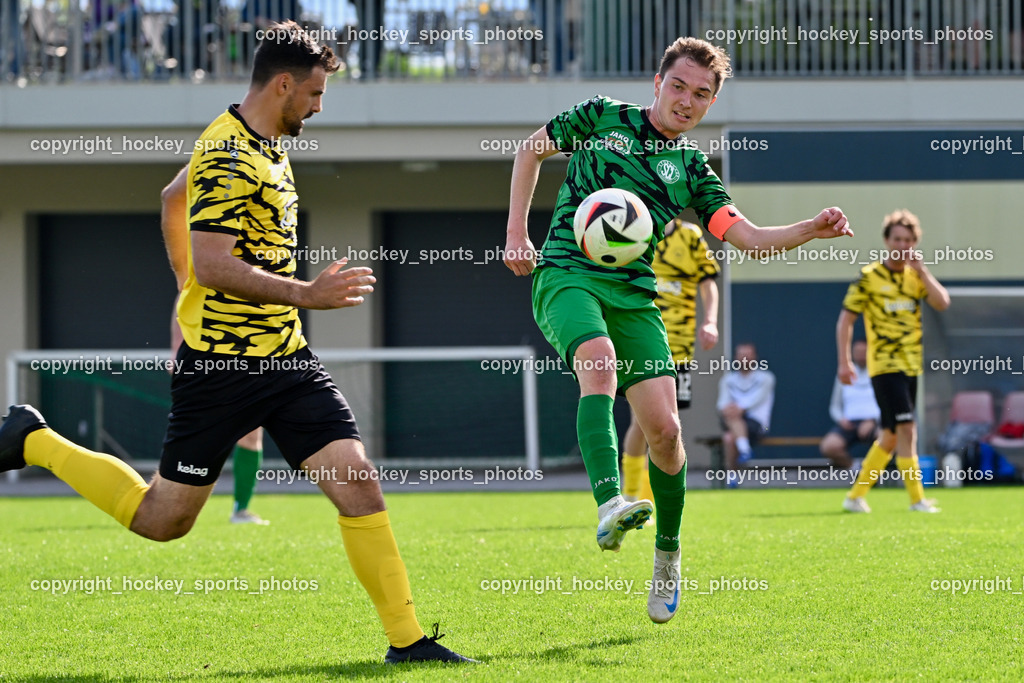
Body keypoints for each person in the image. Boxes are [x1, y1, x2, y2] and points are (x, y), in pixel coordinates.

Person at [0, 21, 472, 664]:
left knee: (358, 481)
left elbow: (172, 199)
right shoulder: (228, 154)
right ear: (282, 84)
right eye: (313, 92)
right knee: (163, 521)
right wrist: (298, 293)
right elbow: (216, 262)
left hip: (288, 360)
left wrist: (183, 284)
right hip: (220, 370)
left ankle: (407, 642)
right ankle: (34, 439)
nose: (318, 105)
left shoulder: (266, 141)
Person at [503, 36, 852, 624]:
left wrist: (808, 229)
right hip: (565, 272)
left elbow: (747, 238)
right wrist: (517, 234)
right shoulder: (599, 116)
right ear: (656, 83)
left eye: (702, 94)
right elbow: (527, 152)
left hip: (635, 295)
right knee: (599, 362)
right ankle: (610, 500)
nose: (687, 101)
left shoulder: (692, 170)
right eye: (679, 86)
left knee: (665, 432)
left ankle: (668, 556)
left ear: (711, 104)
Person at [163, 166, 269, 525]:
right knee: (203, 436)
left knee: (251, 435)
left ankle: (241, 508)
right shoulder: (205, 262)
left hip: (252, 358)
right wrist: (178, 352)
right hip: (208, 360)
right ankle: (167, 497)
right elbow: (182, 307)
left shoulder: (253, 256)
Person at [839, 209, 950, 514]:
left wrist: (924, 271)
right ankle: (917, 500)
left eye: (908, 240)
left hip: (911, 366)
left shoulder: (916, 277)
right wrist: (845, 361)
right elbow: (846, 321)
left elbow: (942, 303)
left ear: (915, 243)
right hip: (884, 367)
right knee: (908, 429)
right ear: (887, 240)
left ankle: (854, 497)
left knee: (889, 437)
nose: (903, 245)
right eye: (897, 239)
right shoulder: (869, 277)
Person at [621, 219, 719, 504]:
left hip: (679, 345)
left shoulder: (690, 236)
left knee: (668, 425)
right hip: (640, 341)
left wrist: (711, 321)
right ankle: (631, 495)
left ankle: (644, 499)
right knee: (642, 421)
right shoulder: (632, 230)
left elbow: (708, 282)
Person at [716, 342, 774, 486]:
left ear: (755, 357)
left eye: (748, 355)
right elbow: (721, 403)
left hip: (758, 426)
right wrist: (728, 409)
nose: (745, 359)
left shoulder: (766, 378)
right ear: (736, 358)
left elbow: (757, 399)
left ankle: (733, 473)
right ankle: (744, 450)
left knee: (729, 438)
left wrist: (740, 409)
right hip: (732, 420)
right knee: (730, 432)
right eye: (741, 355)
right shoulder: (728, 380)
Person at [819, 339, 879, 469]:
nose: (861, 355)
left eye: (864, 352)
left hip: (874, 424)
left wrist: (873, 421)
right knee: (829, 446)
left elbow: (887, 403)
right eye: (857, 352)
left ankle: (875, 471)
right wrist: (841, 419)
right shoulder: (844, 374)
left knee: (887, 440)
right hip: (849, 424)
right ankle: (855, 469)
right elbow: (835, 406)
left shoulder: (879, 373)